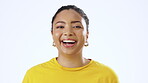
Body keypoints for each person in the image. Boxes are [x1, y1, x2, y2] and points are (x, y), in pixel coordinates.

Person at [22, 5, 119, 83]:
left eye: (76, 26)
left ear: (87, 35)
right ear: (52, 34)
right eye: (60, 26)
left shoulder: (106, 76)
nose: (68, 32)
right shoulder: (34, 76)